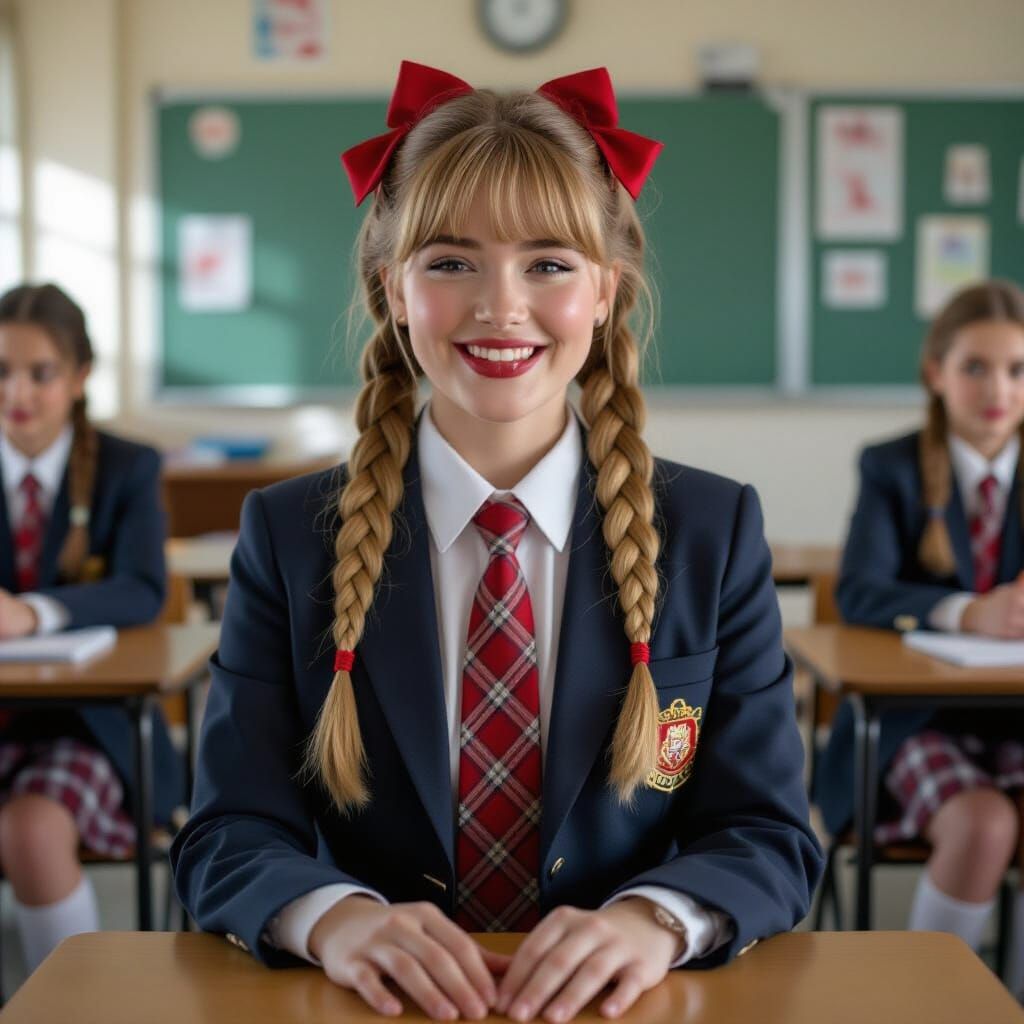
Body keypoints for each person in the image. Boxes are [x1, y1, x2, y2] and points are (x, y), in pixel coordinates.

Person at [171, 61, 821, 1022]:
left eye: (549, 263)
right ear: (392, 290)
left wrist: (652, 921)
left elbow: (766, 833)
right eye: (450, 261)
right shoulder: (289, 534)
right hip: (375, 1005)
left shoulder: (712, 533)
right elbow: (228, 830)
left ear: (606, 291)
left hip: (623, 1006)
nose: (500, 305)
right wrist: (336, 919)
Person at [818, 279, 1024, 993]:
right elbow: (860, 594)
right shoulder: (894, 467)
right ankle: (920, 1003)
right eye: (975, 367)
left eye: (1017, 370)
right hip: (915, 721)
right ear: (936, 373)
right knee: (984, 826)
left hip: (1013, 719)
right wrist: (968, 611)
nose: (998, 389)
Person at [0, 282, 181, 972]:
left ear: (79, 379)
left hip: (86, 725)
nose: (17, 391)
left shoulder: (126, 466)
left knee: (31, 830)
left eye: (40, 373)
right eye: (1, 371)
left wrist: (34, 612)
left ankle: (80, 1007)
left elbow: (142, 589)